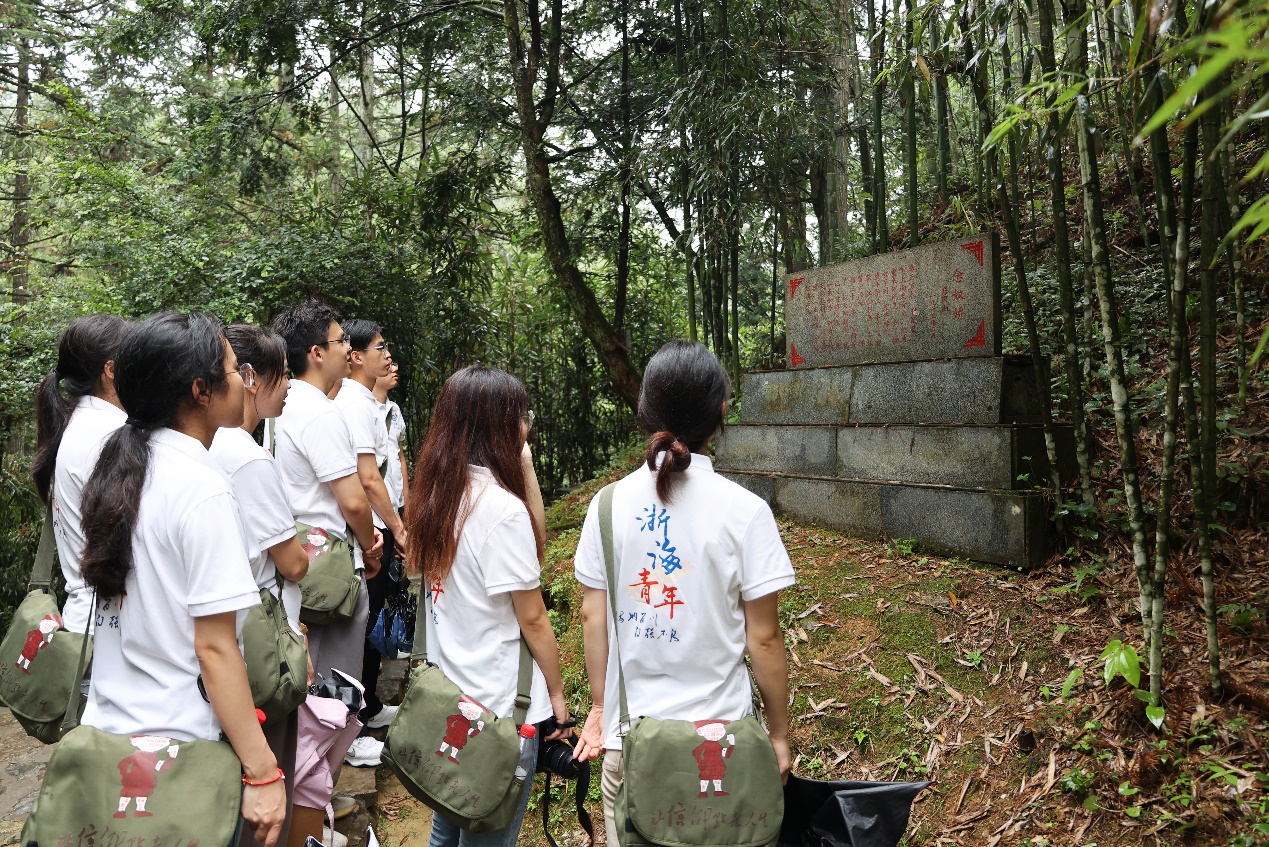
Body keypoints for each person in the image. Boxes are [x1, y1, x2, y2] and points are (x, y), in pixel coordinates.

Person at [571, 341, 795, 845]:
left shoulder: (606, 507)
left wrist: (602, 708)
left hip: (633, 748)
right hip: (723, 746)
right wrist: (779, 736)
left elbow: (593, 617)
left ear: (644, 410)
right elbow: (764, 639)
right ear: (721, 411)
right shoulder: (746, 512)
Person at [77, 312, 285, 847]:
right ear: (200, 390)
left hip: (110, 738)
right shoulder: (201, 489)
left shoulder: (122, 468)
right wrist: (263, 771)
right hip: (180, 752)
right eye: (235, 371)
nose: (244, 382)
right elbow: (214, 649)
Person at [403, 366, 570, 847]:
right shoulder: (500, 510)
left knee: (447, 826)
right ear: (501, 425)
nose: (526, 425)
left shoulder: (437, 495)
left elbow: (533, 549)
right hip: (499, 713)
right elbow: (533, 617)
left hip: (450, 698)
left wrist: (525, 466)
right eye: (522, 416)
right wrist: (558, 698)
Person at [210, 324, 313, 845]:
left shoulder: (202, 447)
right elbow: (292, 563)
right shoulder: (247, 457)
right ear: (250, 378)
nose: (289, 385)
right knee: (268, 767)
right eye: (283, 374)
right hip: (259, 635)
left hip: (225, 628)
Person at [270, 301, 383, 768]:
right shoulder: (319, 413)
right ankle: (320, 782)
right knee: (335, 679)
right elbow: (353, 500)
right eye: (340, 341)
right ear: (316, 352)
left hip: (299, 559)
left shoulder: (281, 407)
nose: (347, 350)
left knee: (306, 674)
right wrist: (371, 545)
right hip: (330, 567)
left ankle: (307, 776)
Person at [30, 314, 132, 634]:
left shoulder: (80, 424)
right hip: (110, 627)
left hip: (87, 619)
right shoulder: (109, 435)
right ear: (111, 369)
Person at [331, 319, 407, 739]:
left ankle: (369, 707)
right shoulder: (356, 404)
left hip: (377, 526)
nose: (387, 354)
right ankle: (354, 728)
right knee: (361, 627)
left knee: (371, 618)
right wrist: (397, 527)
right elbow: (369, 479)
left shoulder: (363, 402)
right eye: (380, 347)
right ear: (357, 356)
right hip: (370, 529)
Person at [373, 361, 409, 543]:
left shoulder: (394, 409)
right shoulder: (360, 408)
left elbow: (400, 456)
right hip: (376, 507)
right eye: (388, 365)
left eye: (394, 363)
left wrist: (407, 502)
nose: (395, 369)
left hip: (397, 503)